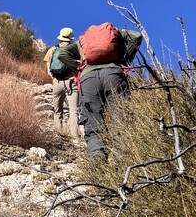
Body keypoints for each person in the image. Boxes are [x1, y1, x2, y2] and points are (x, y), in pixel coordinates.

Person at [57, 23, 143, 159]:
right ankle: (122, 158)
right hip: (113, 74)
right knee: (120, 116)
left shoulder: (82, 41)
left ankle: (97, 157)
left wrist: (80, 67)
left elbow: (63, 54)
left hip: (88, 78)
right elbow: (137, 36)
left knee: (92, 122)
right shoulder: (116, 33)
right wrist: (126, 59)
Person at [44, 27, 79, 139]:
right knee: (73, 110)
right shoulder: (75, 49)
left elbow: (49, 70)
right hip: (71, 82)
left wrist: (55, 78)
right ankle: (74, 136)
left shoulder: (52, 50)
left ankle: (59, 133)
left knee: (57, 111)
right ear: (71, 38)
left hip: (57, 83)